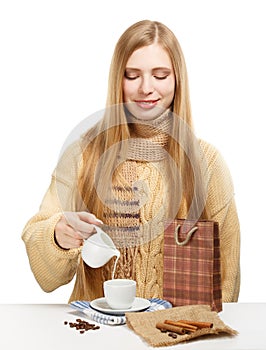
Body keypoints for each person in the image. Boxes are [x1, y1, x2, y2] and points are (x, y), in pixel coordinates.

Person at [22, 20, 240, 303]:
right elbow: (46, 276)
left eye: (160, 75)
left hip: (174, 341)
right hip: (97, 335)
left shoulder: (206, 163)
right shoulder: (82, 155)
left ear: (177, 81)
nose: (145, 88)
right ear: (117, 80)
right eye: (132, 75)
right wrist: (57, 236)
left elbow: (228, 279)